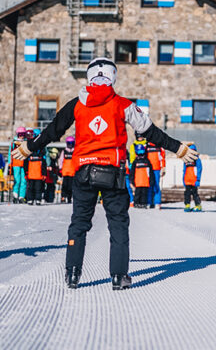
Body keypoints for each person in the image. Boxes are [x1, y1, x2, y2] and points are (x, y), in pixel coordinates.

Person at [11, 57, 198, 290]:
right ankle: (119, 276)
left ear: (89, 77)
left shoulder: (76, 104)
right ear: (113, 77)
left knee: (79, 224)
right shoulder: (123, 104)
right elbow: (150, 132)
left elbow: (53, 129)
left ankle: (72, 273)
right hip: (114, 174)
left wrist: (29, 147)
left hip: (83, 173)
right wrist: (178, 148)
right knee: (118, 224)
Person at [130, 144, 154, 208]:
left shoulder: (147, 161)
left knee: (144, 194)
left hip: (145, 181)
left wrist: (151, 180)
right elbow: (132, 172)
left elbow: (151, 172)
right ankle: (137, 203)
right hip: (137, 182)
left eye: (142, 152)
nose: (140, 154)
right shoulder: (135, 162)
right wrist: (132, 180)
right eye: (139, 152)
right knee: (137, 193)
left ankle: (143, 203)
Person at [146, 142, 166, 209]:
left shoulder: (159, 146)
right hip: (148, 168)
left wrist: (163, 167)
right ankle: (149, 202)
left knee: (156, 185)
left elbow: (162, 157)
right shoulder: (146, 146)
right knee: (149, 186)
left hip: (157, 168)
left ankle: (157, 202)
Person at [183, 144, 202, 212]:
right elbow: (184, 170)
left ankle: (198, 206)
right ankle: (187, 205)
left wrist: (198, 180)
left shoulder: (197, 160)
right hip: (187, 180)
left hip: (194, 180)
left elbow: (199, 169)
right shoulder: (186, 160)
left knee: (195, 193)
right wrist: (183, 179)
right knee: (187, 194)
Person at [11, 127, 28, 203]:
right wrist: (9, 162)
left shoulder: (26, 142)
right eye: (20, 134)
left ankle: (22, 196)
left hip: (24, 163)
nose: (22, 136)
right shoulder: (13, 143)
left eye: (23, 134)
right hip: (16, 163)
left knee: (23, 180)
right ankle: (15, 195)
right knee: (17, 180)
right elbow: (10, 153)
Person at [59, 136, 76, 203]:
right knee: (64, 185)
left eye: (71, 143)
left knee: (71, 186)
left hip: (72, 171)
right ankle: (63, 196)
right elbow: (61, 160)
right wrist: (60, 168)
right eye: (69, 143)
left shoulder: (75, 151)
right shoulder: (64, 151)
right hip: (65, 171)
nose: (70, 145)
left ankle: (69, 197)